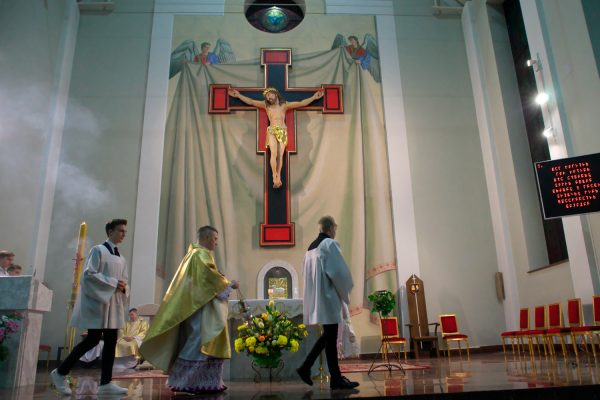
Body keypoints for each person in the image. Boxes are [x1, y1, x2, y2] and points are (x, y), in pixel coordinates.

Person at [140, 225, 239, 395]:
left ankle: (206, 383)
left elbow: (205, 279)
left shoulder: (193, 254)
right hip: (201, 309)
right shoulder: (200, 254)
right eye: (215, 239)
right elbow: (209, 279)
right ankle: (183, 382)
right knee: (198, 342)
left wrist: (220, 280)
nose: (216, 243)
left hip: (199, 305)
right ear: (206, 238)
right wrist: (229, 284)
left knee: (199, 341)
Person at [50, 219, 129, 396]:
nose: (124, 234)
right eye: (120, 231)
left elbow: (124, 280)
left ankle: (106, 383)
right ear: (110, 232)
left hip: (113, 304)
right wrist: (114, 283)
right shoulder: (98, 250)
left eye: (125, 231)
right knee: (92, 339)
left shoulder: (121, 258)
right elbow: (89, 275)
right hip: (99, 303)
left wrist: (124, 287)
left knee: (111, 341)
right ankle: (60, 372)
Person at [296, 216, 359, 390]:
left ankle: (317, 371)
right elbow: (339, 272)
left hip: (318, 298)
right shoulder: (329, 244)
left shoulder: (310, 249)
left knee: (328, 337)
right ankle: (324, 375)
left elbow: (306, 275)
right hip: (329, 297)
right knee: (329, 337)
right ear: (330, 228)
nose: (335, 233)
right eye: (335, 230)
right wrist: (346, 290)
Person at [228, 87, 323, 188]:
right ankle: (274, 175)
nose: (268, 98)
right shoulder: (266, 106)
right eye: (267, 97)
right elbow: (251, 102)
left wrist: (313, 98)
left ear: (275, 94)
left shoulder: (284, 105)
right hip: (272, 130)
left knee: (280, 154)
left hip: (282, 130)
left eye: (269, 95)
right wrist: (238, 95)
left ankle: (278, 177)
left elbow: (301, 103)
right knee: (273, 153)